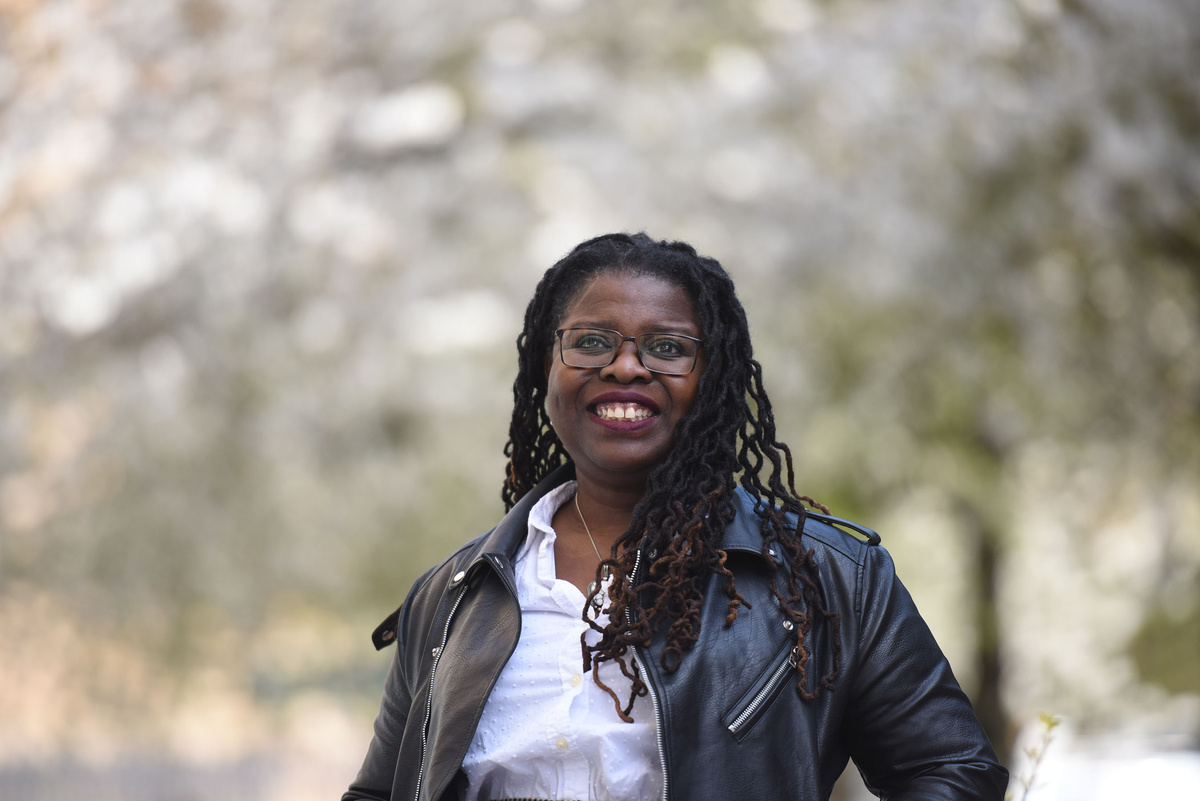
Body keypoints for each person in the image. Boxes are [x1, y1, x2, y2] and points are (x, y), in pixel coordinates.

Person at [342, 233, 1008, 801]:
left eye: (668, 348)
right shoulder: (454, 597)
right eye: (592, 341)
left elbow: (952, 770)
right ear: (546, 368)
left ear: (710, 381)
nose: (626, 366)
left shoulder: (829, 578)